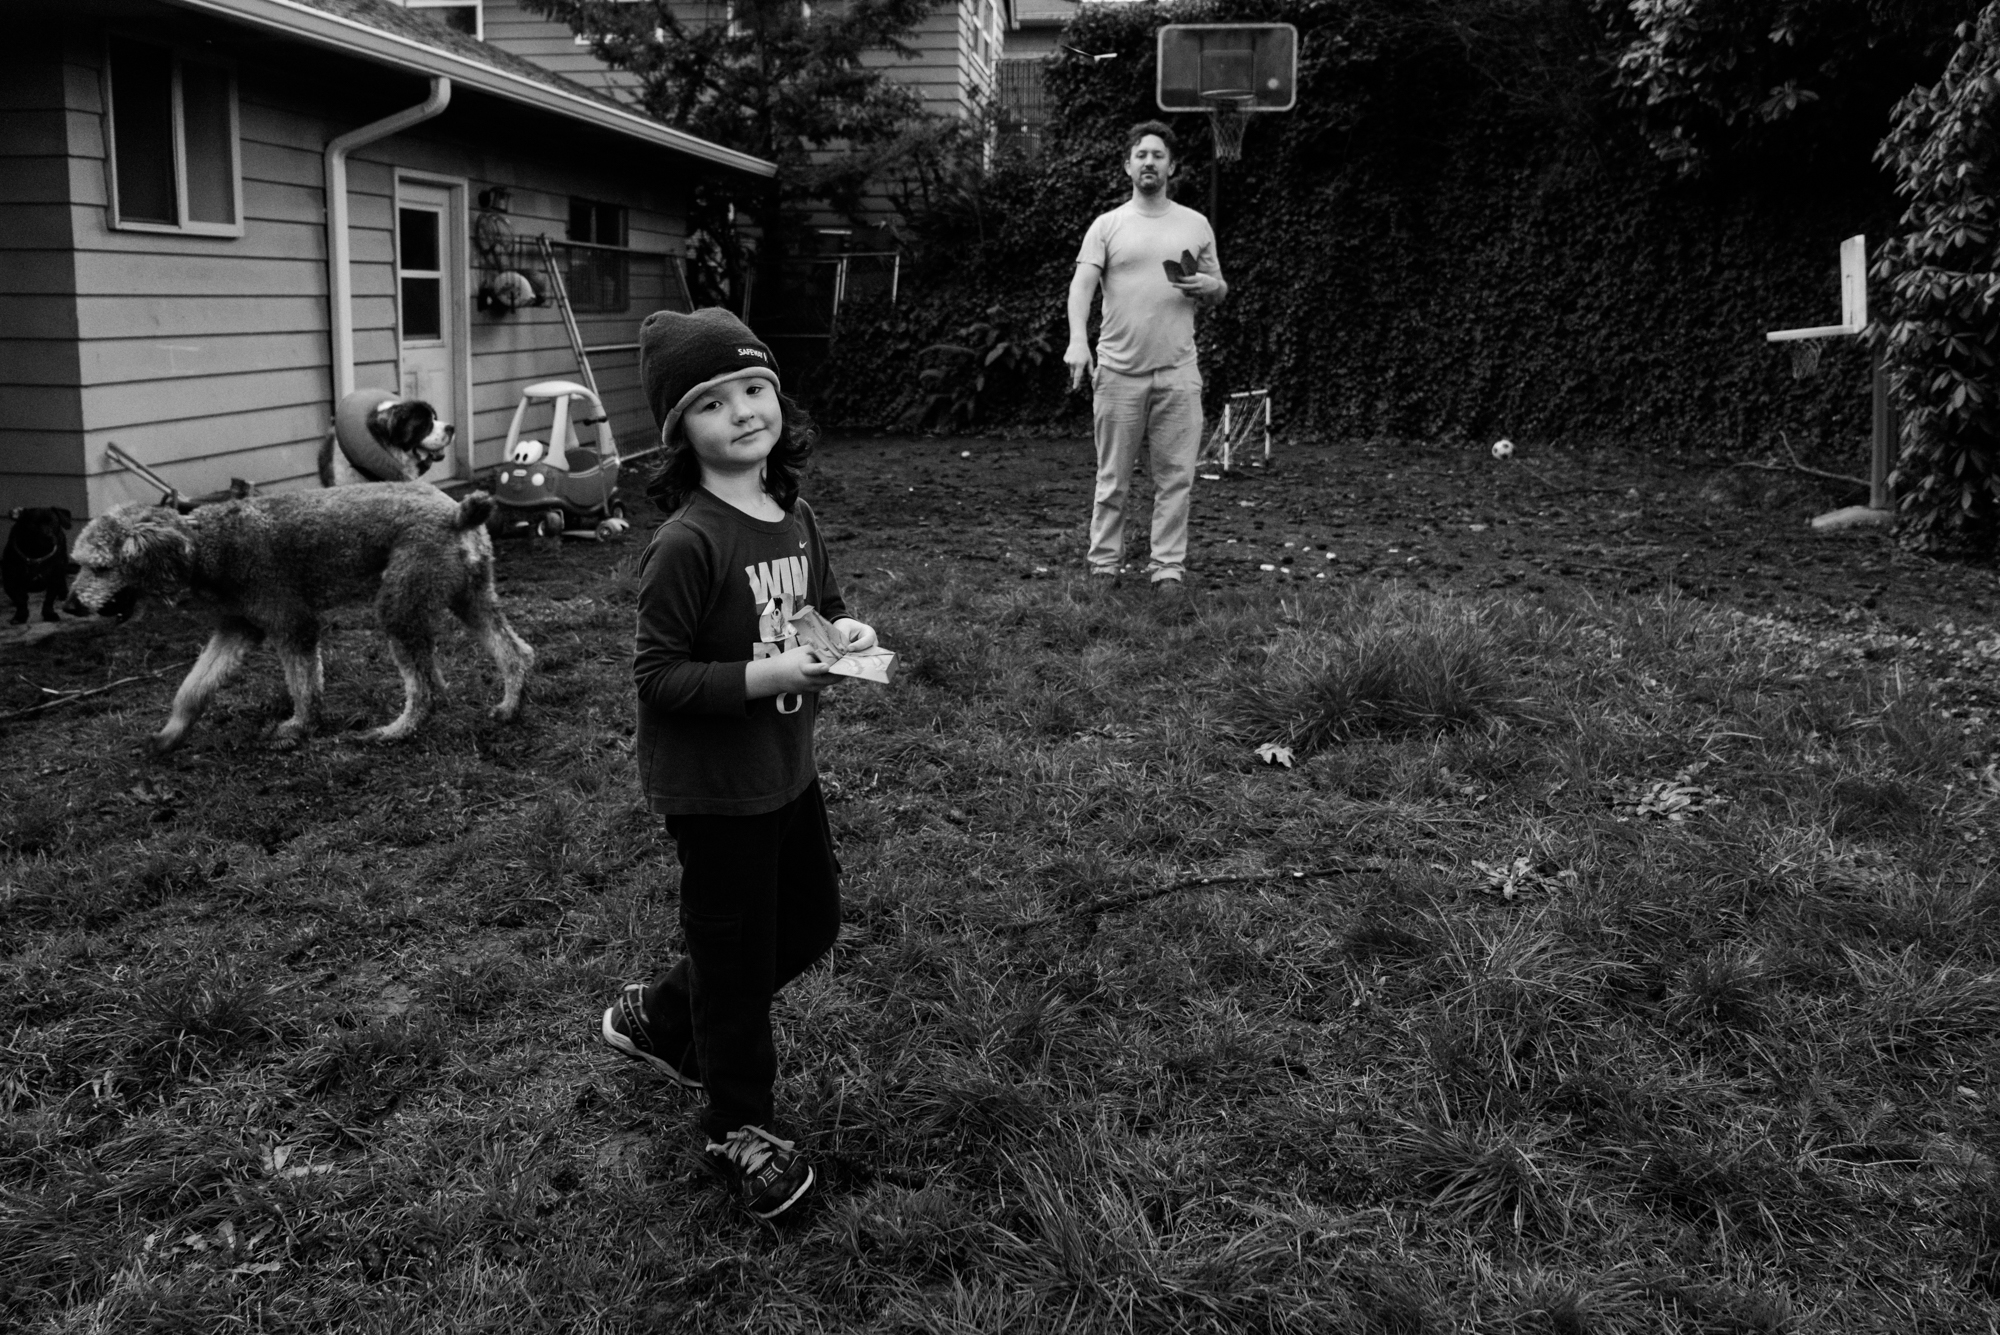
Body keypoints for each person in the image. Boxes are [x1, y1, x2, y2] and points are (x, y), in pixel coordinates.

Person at [598, 306, 877, 1221]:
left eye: (755, 388)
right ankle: (736, 1128)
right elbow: (657, 675)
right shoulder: (688, 542)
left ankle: (667, 1018)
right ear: (683, 432)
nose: (745, 411)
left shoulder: (790, 513)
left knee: (808, 923)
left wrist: (843, 635)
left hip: (785, 772)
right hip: (716, 793)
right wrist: (769, 674)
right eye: (714, 402)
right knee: (739, 956)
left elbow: (821, 603)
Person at [1064, 120, 1229, 599]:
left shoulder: (1195, 224)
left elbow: (1219, 288)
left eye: (1158, 155)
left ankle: (1167, 571)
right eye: (1141, 155)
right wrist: (1078, 341)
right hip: (1117, 372)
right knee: (1112, 479)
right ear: (1128, 165)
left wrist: (1209, 287)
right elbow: (1082, 287)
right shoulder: (1108, 225)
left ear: (1171, 166)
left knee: (1176, 479)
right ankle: (1103, 567)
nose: (1149, 162)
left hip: (1178, 373)